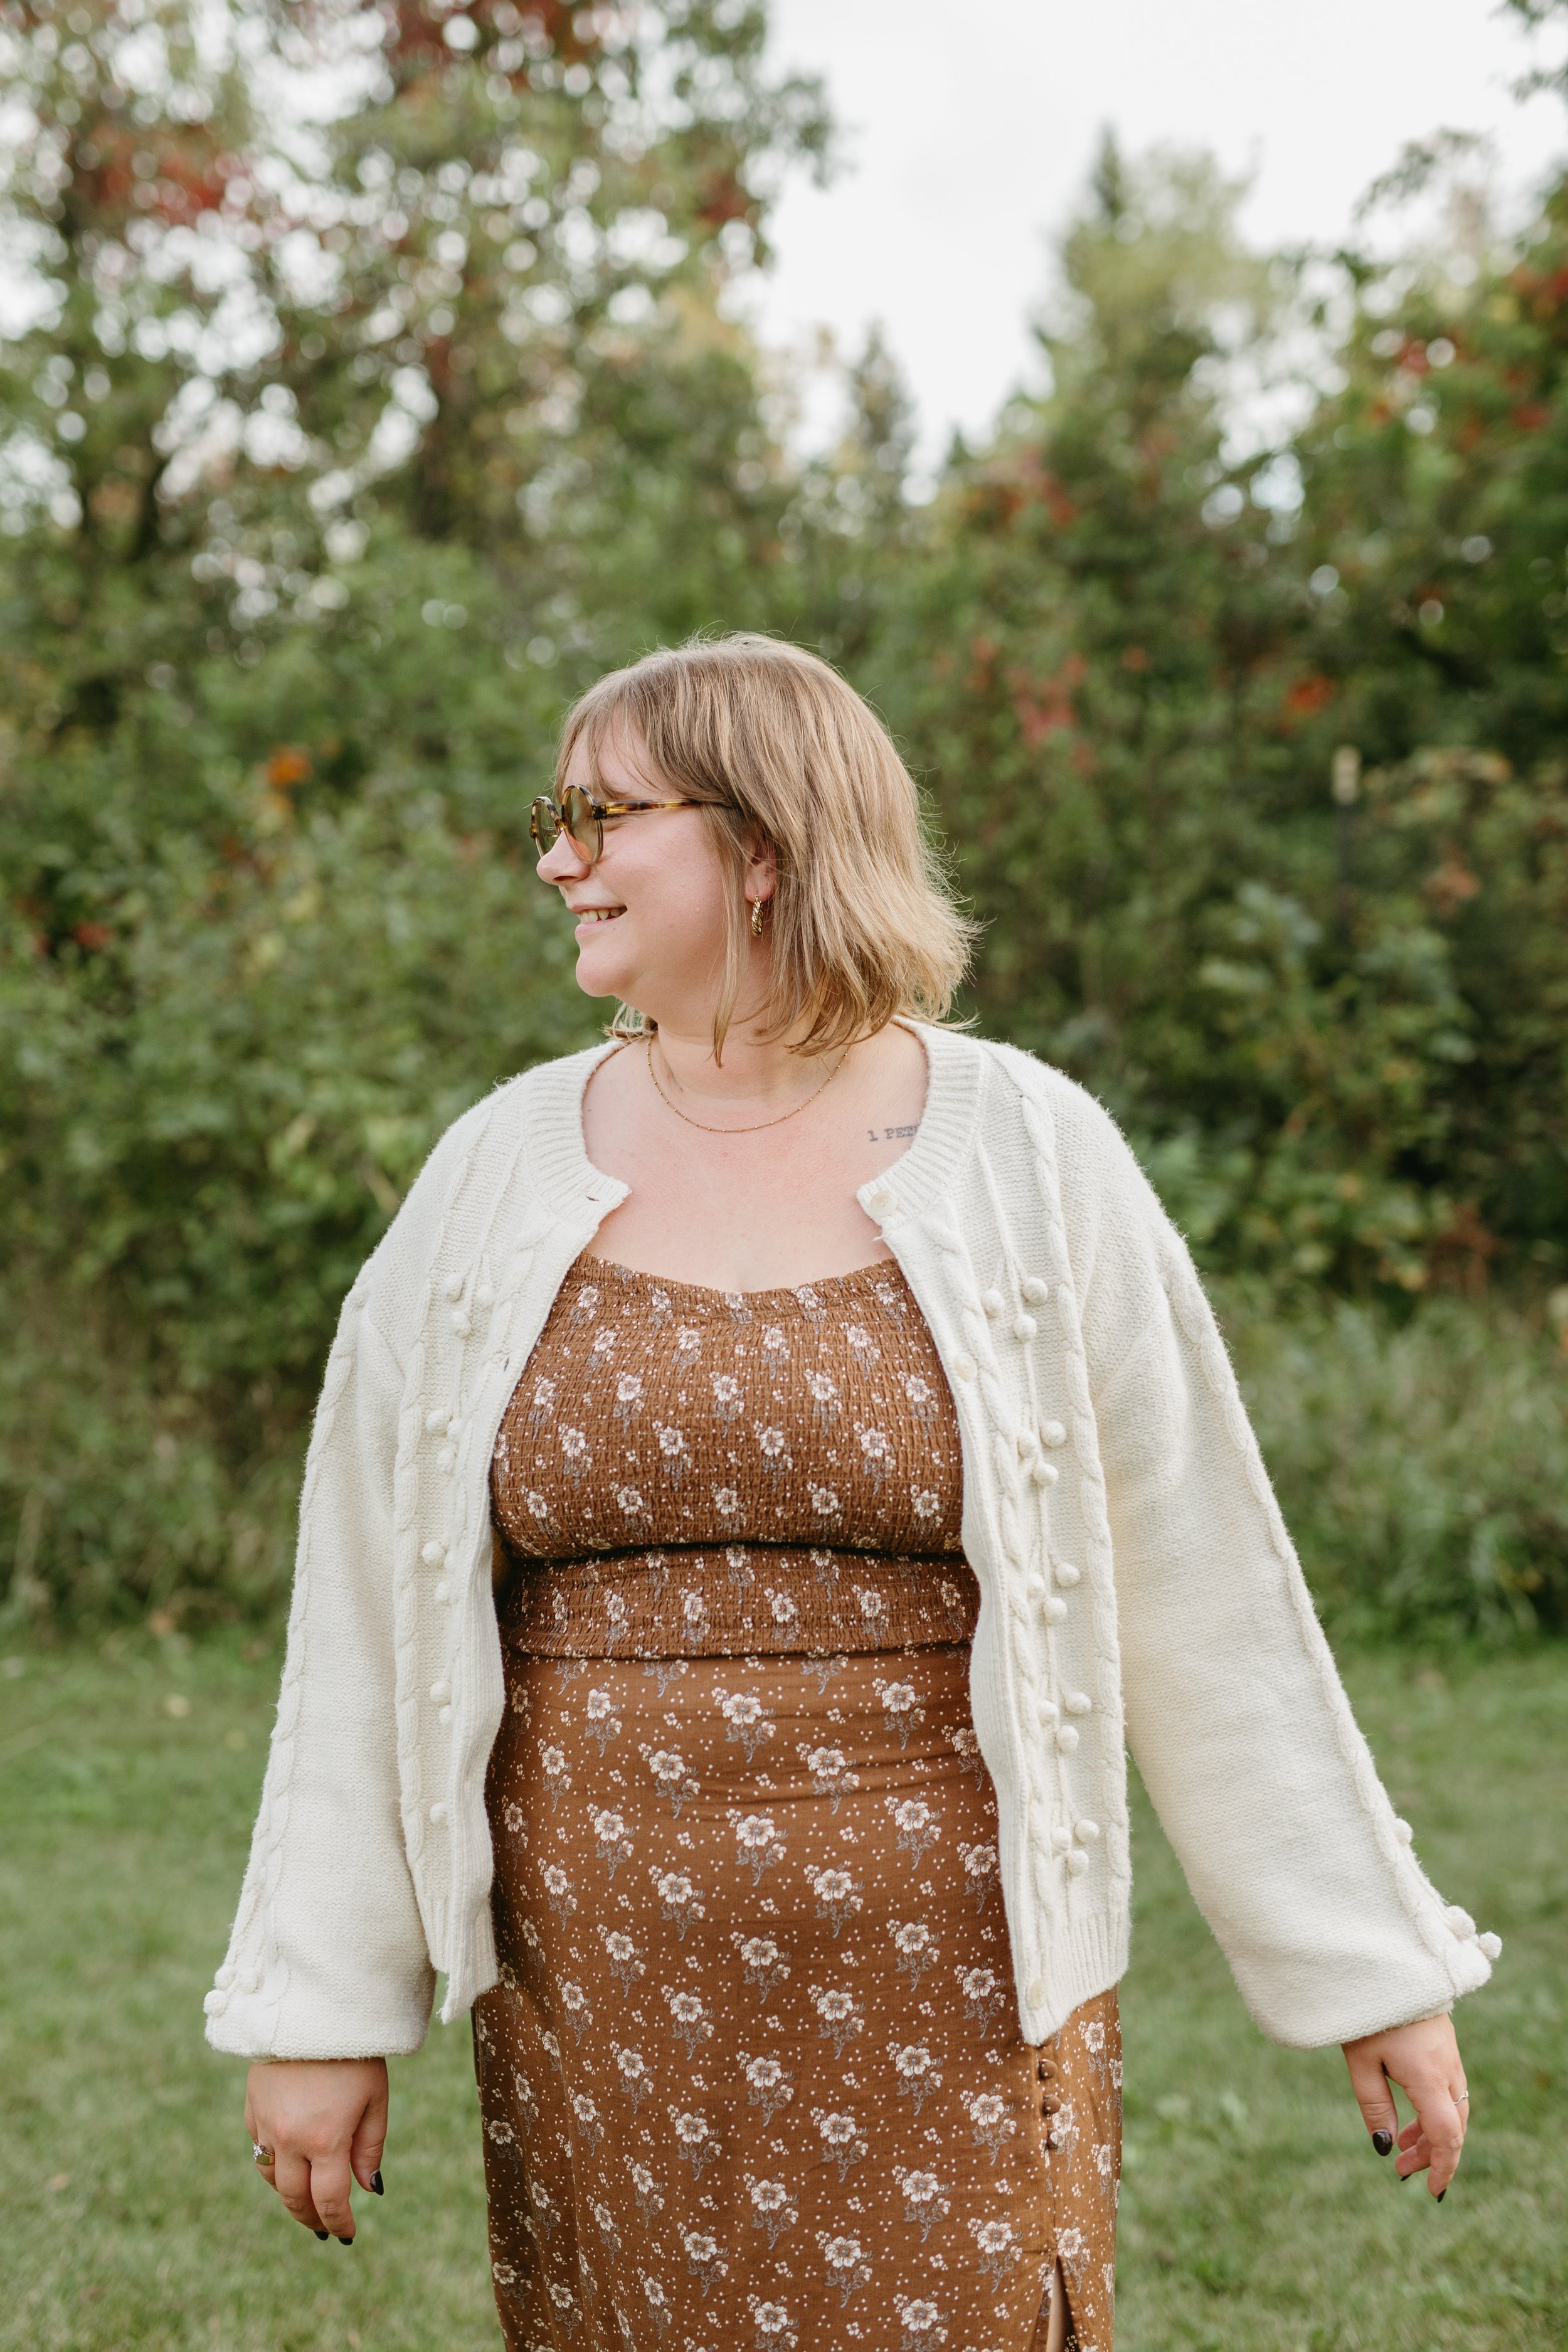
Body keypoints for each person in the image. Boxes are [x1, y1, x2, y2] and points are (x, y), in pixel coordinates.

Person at [211, 635, 1497, 2351]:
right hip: (603, 1996)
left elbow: (1204, 1582)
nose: (553, 857)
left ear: (761, 842)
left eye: (598, 815)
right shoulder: (494, 1171)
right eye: (554, 814)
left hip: (958, 1984)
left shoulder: (1028, 1151)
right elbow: (364, 1612)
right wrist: (320, 2005)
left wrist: (1372, 1969)